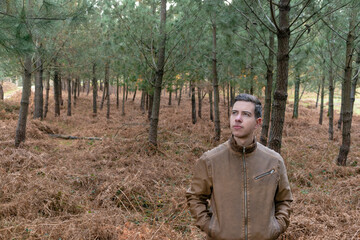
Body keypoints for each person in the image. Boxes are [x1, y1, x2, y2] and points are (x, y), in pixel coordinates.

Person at [186, 93, 293, 240]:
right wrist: (211, 227)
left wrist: (275, 227)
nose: (237, 118)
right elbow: (195, 197)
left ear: (258, 122)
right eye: (234, 113)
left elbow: (284, 200)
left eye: (246, 114)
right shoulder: (211, 160)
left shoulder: (274, 161)